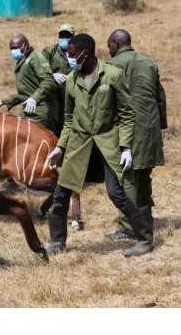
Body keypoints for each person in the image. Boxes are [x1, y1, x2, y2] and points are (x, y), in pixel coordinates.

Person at [46, 33, 154, 257]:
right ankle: (57, 242)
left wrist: (126, 147)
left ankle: (145, 238)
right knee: (61, 192)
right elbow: (68, 118)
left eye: (72, 54)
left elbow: (127, 114)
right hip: (79, 144)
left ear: (86, 54)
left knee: (116, 193)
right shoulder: (71, 79)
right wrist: (60, 148)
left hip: (107, 144)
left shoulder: (112, 75)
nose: (69, 57)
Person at [104, 29, 167, 240]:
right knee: (144, 176)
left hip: (129, 129)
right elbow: (160, 97)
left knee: (127, 178)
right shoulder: (149, 62)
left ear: (116, 43)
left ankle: (129, 227)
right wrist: (160, 126)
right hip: (151, 127)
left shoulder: (112, 65)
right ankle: (145, 217)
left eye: (109, 46)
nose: (108, 50)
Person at [0, 34, 59, 134]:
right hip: (29, 109)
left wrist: (34, 98)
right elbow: (25, 93)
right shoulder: (23, 61)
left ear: (25, 46)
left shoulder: (35, 58)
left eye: (15, 48)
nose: (13, 51)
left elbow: (48, 80)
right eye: (11, 49)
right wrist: (2, 101)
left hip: (41, 110)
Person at [43, 23, 75, 134]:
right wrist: (53, 75)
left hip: (74, 95)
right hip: (55, 97)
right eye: (62, 36)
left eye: (68, 36)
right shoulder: (49, 52)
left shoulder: (79, 52)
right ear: (58, 36)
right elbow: (41, 70)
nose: (65, 39)